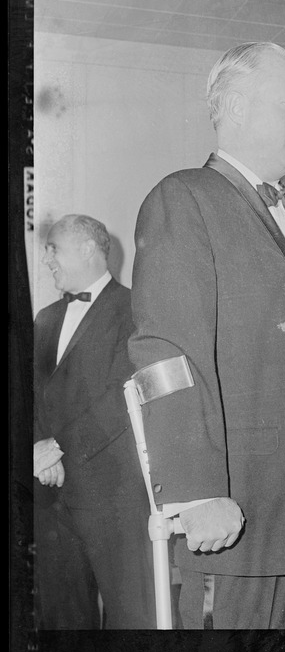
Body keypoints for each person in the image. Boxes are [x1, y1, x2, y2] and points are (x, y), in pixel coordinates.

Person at [128, 41, 285, 629]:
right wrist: (193, 493)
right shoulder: (184, 199)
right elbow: (166, 355)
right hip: (241, 520)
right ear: (234, 108)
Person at [33, 214, 154, 629]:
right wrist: (37, 450)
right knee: (63, 625)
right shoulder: (44, 319)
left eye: (55, 249)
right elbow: (30, 395)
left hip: (113, 496)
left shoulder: (135, 308)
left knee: (131, 620)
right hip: (51, 498)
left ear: (89, 247)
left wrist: (56, 449)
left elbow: (123, 394)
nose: (47, 259)